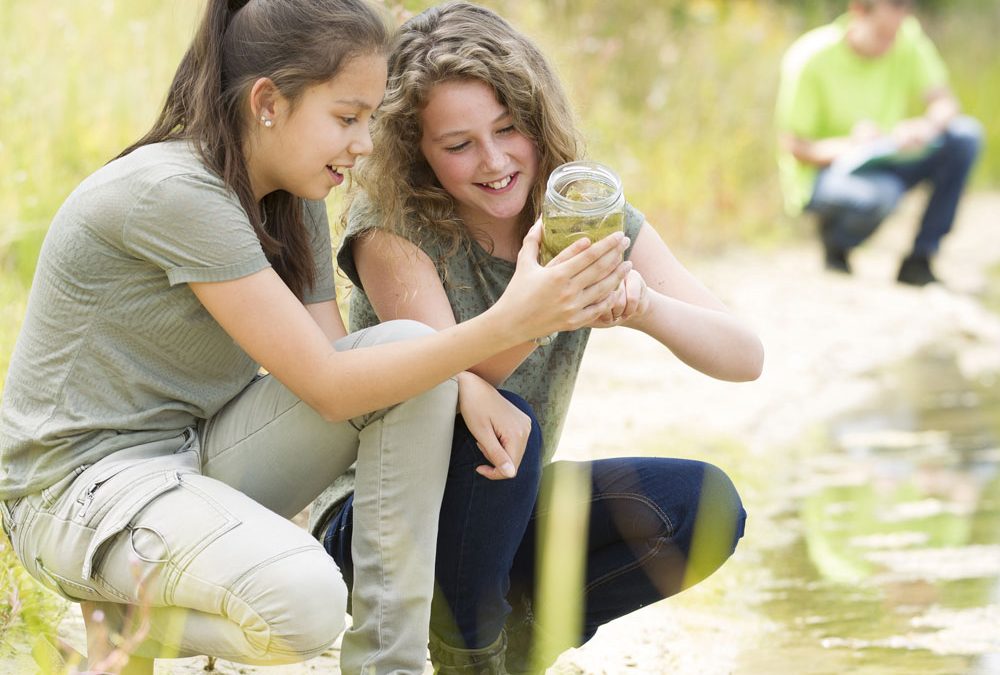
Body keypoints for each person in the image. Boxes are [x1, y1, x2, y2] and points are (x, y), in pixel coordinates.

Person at [0, 1, 631, 673]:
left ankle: (390, 665)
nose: (363, 145)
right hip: (76, 493)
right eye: (347, 118)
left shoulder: (291, 193)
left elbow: (356, 371)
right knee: (306, 603)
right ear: (268, 102)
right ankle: (131, 618)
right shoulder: (176, 194)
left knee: (402, 353)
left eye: (370, 118)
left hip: (192, 458)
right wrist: (512, 323)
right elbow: (331, 392)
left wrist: (462, 384)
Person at [309, 3, 764, 672]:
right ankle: (473, 653)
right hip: (378, 524)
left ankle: (509, 650)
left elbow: (744, 355)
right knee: (501, 423)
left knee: (702, 505)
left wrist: (643, 308)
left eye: (509, 128)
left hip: (495, 520)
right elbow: (453, 377)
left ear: (536, 118)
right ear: (417, 150)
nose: (493, 161)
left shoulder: (586, 214)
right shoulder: (392, 226)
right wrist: (545, 308)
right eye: (458, 145)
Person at [776, 0, 982, 285]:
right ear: (858, 11)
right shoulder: (812, 56)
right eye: (883, 35)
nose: (891, 42)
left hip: (888, 157)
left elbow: (944, 101)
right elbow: (795, 146)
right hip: (825, 174)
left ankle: (919, 260)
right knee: (883, 194)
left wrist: (926, 126)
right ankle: (836, 241)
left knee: (964, 136)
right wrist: (853, 145)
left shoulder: (906, 36)